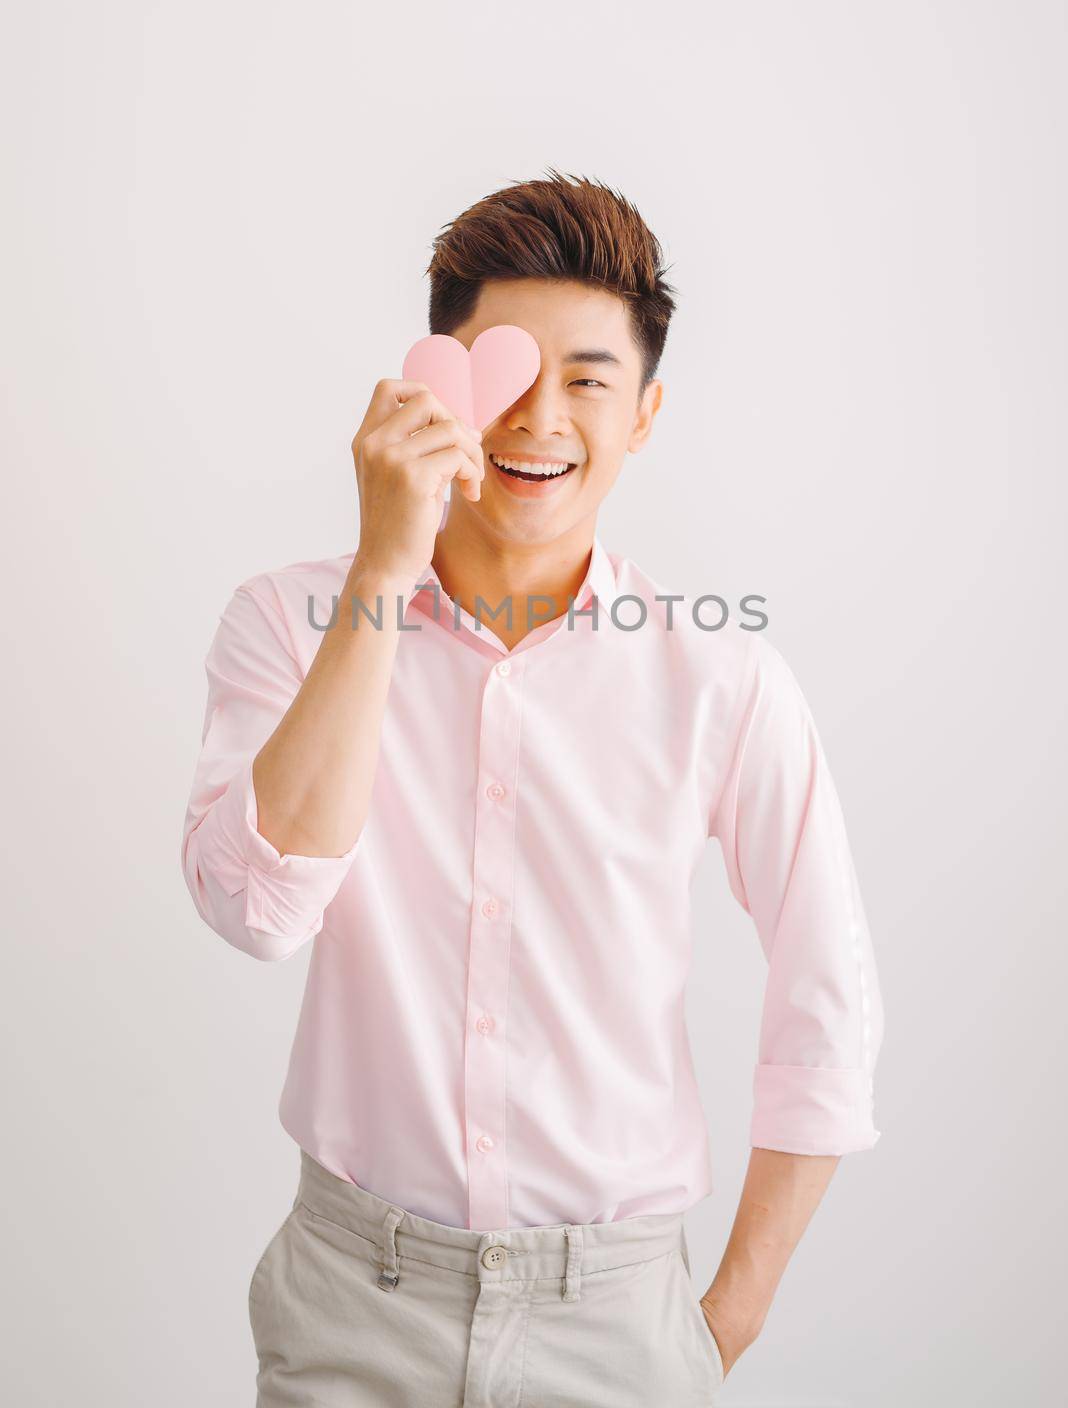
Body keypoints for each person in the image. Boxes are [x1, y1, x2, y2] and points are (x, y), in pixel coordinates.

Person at [180, 168, 884, 1406]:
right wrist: (385, 573)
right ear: (430, 381)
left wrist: (723, 1321)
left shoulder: (720, 675)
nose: (537, 418)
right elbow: (256, 910)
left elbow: (829, 997)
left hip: (618, 1321)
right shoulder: (286, 623)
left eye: (589, 379)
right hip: (353, 1301)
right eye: (504, 372)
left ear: (646, 415)